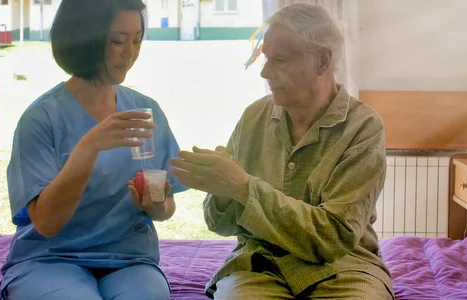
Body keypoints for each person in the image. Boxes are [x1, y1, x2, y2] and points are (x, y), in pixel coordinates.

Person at [169, 3, 394, 300]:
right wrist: (222, 189)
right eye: (265, 58)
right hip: (258, 266)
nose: (264, 71)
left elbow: (334, 237)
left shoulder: (363, 128)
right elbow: (219, 225)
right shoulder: (253, 118)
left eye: (280, 60)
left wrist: (244, 188)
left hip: (344, 269)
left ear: (323, 61)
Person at [0, 0, 187, 299]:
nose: (130, 53)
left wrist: (156, 205)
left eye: (137, 39)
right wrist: (89, 147)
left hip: (130, 261)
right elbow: (46, 224)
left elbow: (167, 209)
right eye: (117, 41)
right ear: (82, 40)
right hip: (49, 259)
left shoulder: (146, 111)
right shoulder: (42, 119)